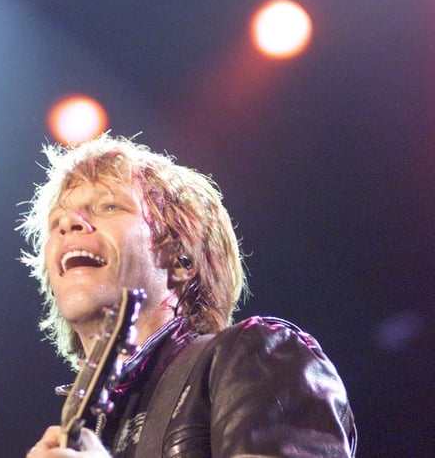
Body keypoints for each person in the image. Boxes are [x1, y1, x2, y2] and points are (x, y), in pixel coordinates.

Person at [20, 133, 355, 457]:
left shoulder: (256, 357)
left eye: (108, 206)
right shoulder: (85, 425)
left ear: (181, 259)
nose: (69, 224)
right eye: (56, 222)